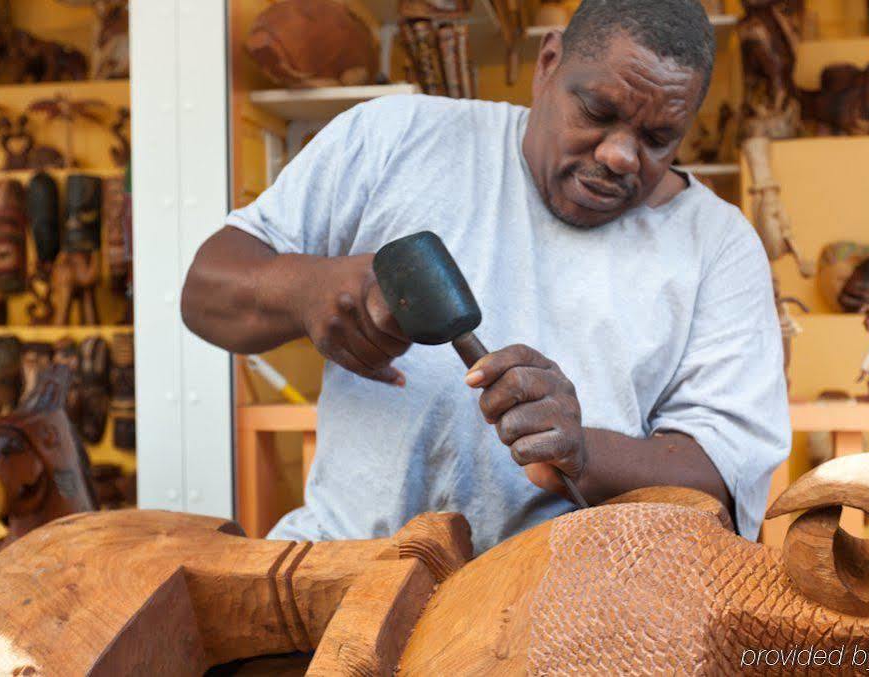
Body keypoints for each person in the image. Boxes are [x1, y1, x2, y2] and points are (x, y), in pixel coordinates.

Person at [182, 0, 790, 553]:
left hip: (568, 605)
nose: (621, 156)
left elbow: (722, 475)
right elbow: (206, 287)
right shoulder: (397, 138)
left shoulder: (719, 244)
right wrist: (306, 291)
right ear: (547, 63)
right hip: (350, 568)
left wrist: (582, 451)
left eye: (660, 139)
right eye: (598, 111)